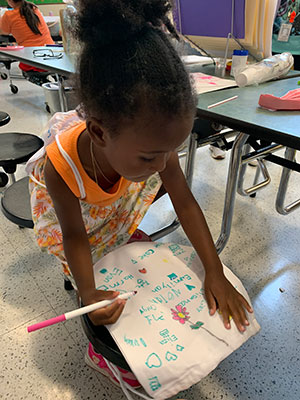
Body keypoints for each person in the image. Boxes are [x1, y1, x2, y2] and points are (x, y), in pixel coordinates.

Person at [26, 0, 253, 388]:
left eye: (172, 150)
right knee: (100, 303)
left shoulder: (150, 144)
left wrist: (213, 271)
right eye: (152, 156)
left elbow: (184, 201)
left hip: (112, 212)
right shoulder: (61, 168)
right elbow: (75, 235)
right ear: (99, 132)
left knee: (130, 257)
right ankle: (98, 353)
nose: (164, 163)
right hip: (77, 225)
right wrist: (87, 294)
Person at [0, 0, 54, 84]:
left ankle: (49, 86)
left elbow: (3, 32)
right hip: (52, 54)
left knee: (27, 72)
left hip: (32, 59)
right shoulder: (34, 8)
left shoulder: (8, 15)